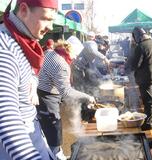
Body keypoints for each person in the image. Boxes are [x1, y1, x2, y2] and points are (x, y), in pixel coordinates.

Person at [0, 0, 58, 159]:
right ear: (24, 10)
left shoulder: (21, 42)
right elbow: (7, 123)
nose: (51, 27)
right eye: (46, 19)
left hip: (36, 142)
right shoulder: (4, 49)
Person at [37, 40, 95, 159]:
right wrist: (87, 97)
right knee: (53, 129)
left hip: (41, 93)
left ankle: (57, 153)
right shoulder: (61, 64)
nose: (76, 57)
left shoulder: (51, 53)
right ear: (70, 50)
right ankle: (55, 154)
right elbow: (66, 92)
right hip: (47, 97)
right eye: (76, 54)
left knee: (48, 129)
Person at [130, 27, 152, 131]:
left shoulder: (141, 46)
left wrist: (131, 66)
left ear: (137, 36)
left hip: (146, 78)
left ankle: (148, 123)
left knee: (148, 101)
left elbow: (136, 64)